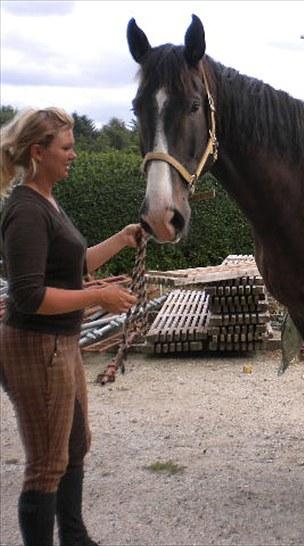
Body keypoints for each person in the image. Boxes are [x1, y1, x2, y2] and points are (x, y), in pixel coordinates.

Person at [0, 107, 141, 546]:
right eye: (66, 147)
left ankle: (75, 538)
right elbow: (29, 295)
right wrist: (98, 296)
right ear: (38, 153)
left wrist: (120, 239)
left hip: (61, 344)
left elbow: (72, 265)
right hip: (36, 346)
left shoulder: (48, 201)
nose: (74, 154)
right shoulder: (25, 211)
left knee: (75, 445)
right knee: (46, 462)